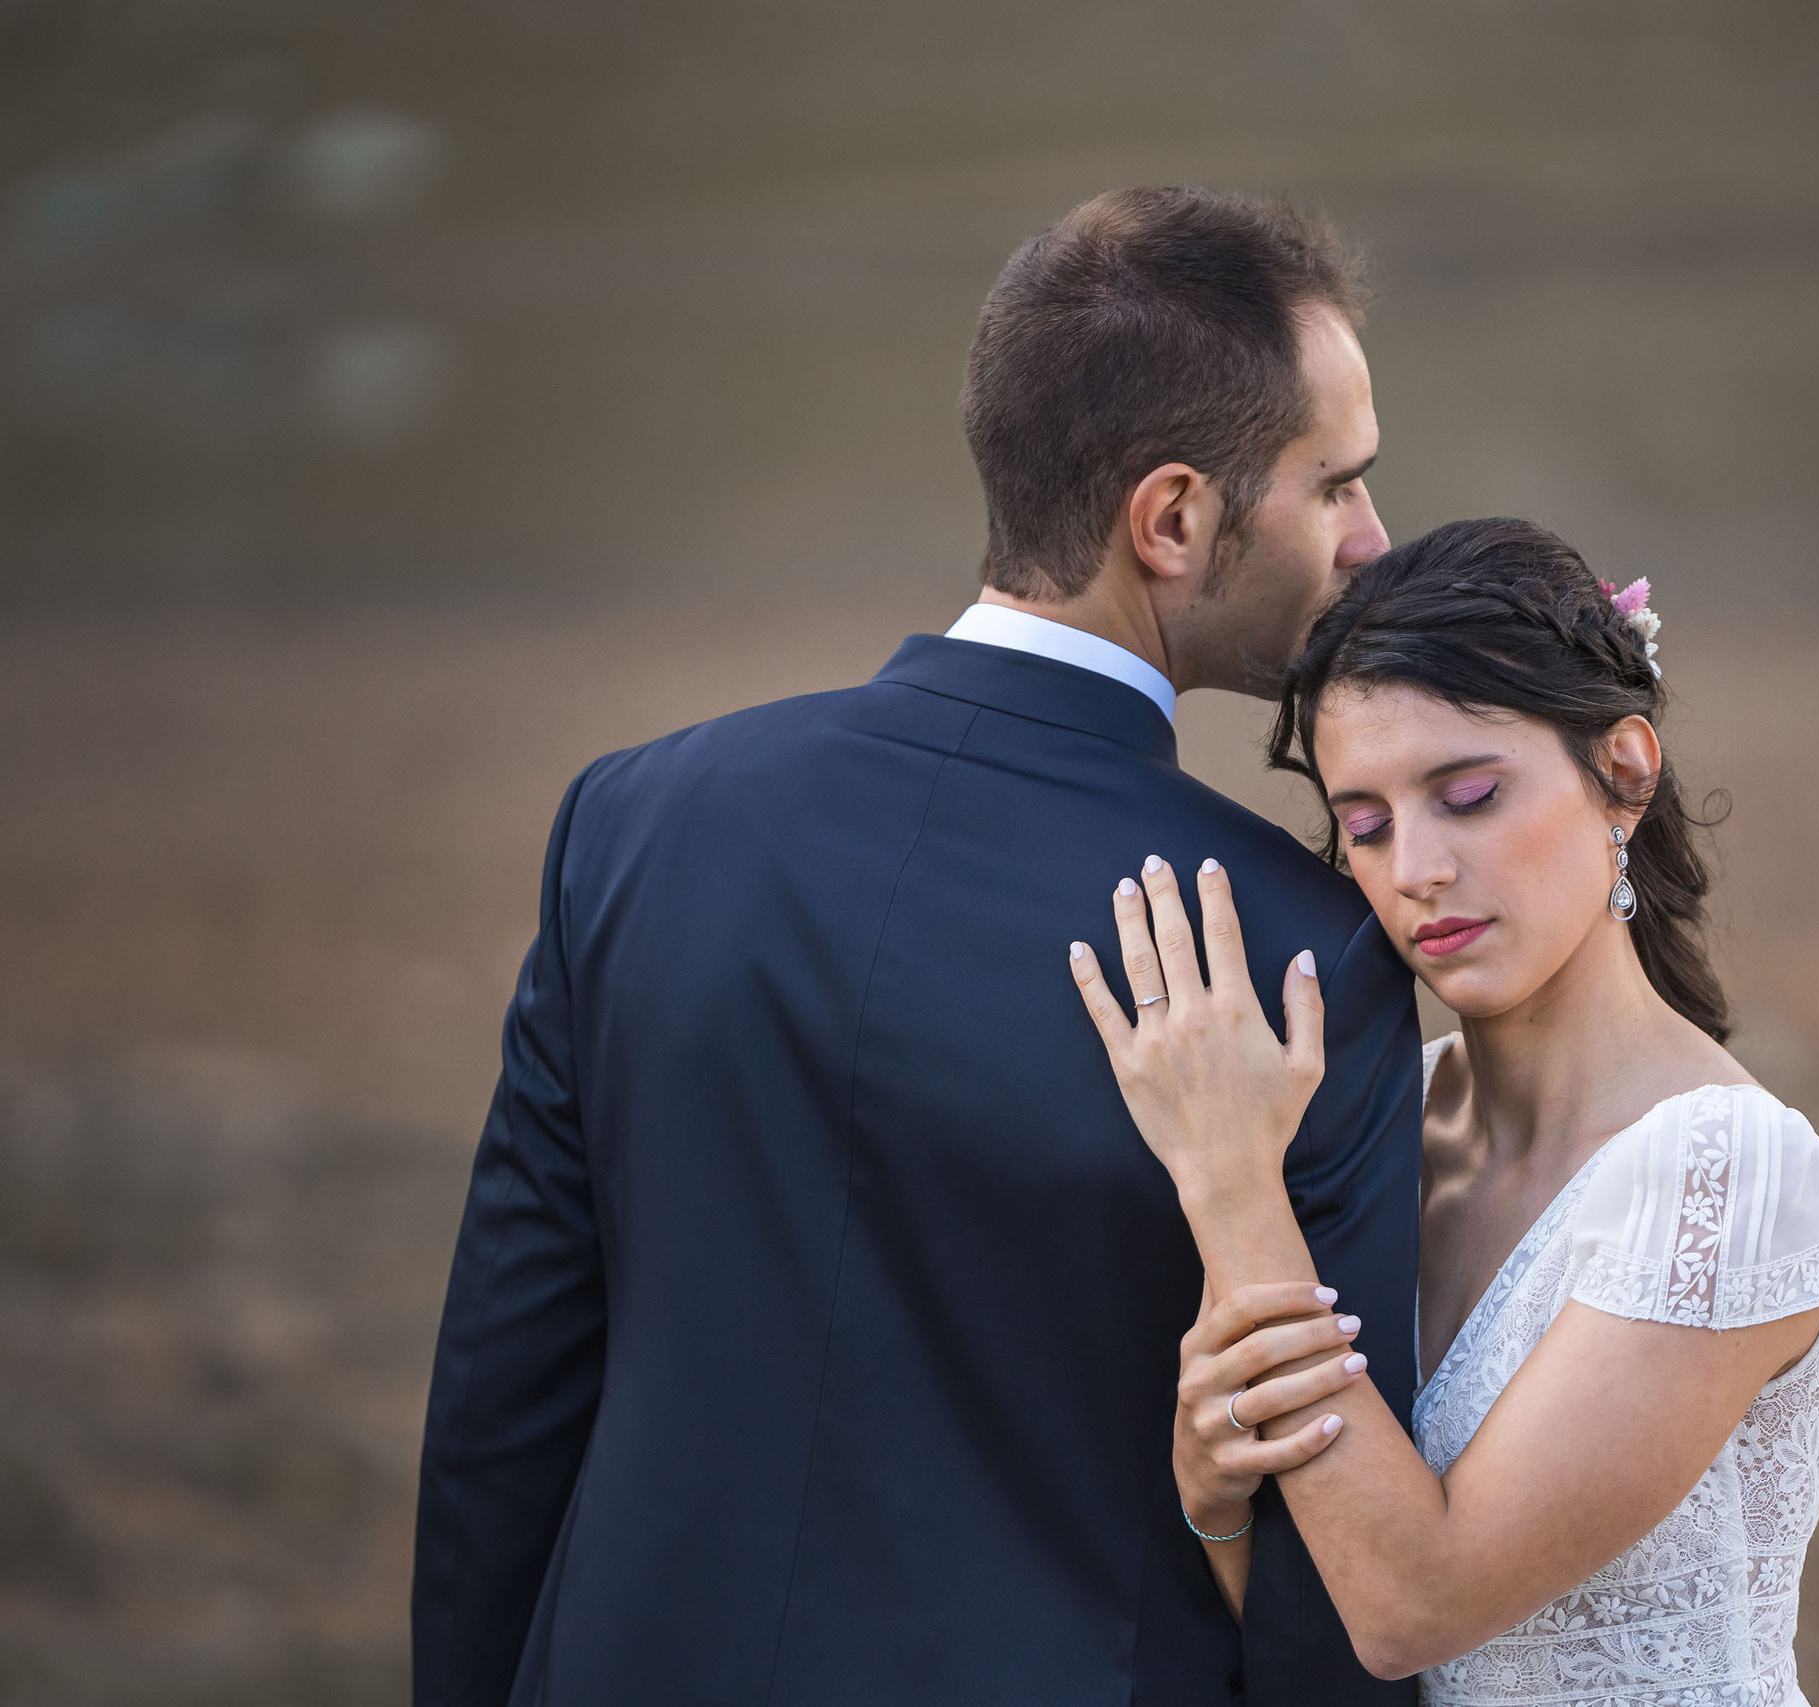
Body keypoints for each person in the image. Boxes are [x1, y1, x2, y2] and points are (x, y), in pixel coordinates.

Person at [411, 186, 1424, 1705]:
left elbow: (505, 1406)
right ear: (1174, 519)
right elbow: (1315, 1568)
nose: (1372, 538)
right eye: (1335, 486)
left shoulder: (633, 825)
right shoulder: (1298, 953)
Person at [1069, 518, 1819, 1706]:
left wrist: (1230, 1183)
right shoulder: (1394, 1121)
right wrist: (1213, 1496)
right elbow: (1319, 1621)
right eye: (1368, 824)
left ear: (1626, 773)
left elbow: (1414, 1609)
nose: (1415, 871)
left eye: (1470, 795)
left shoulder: (1730, 1175)